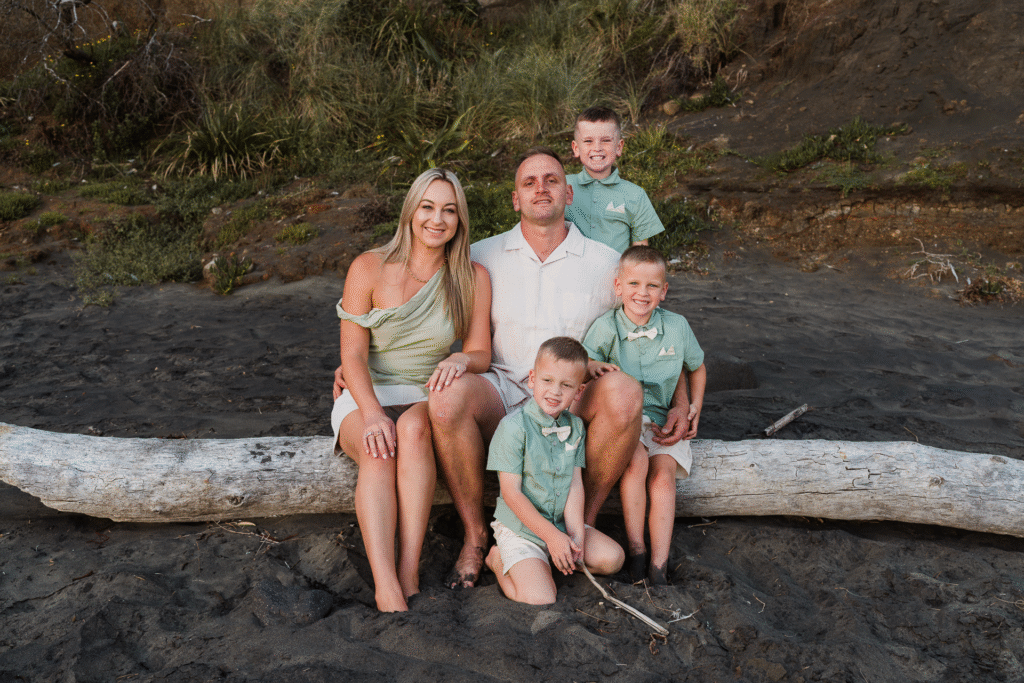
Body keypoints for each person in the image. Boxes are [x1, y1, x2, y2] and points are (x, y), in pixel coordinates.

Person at [428, 147, 644, 588]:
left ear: (568, 193)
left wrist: (679, 401)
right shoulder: (483, 256)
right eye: (529, 183)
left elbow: (646, 327)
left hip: (572, 396)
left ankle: (575, 529)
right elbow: (422, 305)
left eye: (550, 180)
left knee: (625, 392)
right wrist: (367, 365)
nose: (540, 189)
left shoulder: (605, 262)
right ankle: (474, 536)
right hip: (504, 391)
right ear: (515, 199)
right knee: (446, 399)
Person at [331, 168, 492, 612]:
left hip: (424, 393)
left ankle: (409, 570)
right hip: (368, 392)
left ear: (459, 220)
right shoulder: (368, 267)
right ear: (411, 210)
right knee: (380, 448)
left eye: (449, 210)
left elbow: (480, 352)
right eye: (428, 207)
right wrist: (371, 412)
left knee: (416, 433)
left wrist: (460, 358)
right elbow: (353, 356)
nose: (436, 219)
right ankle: (386, 585)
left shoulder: (471, 276)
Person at [582, 245, 706, 585]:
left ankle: (659, 565)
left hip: (663, 419)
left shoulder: (677, 327)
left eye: (652, 286)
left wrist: (693, 407)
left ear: (664, 291)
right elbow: (585, 363)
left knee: (663, 477)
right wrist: (595, 366)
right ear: (618, 286)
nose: (643, 293)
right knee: (635, 461)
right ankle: (636, 550)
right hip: (627, 422)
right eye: (634, 284)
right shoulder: (607, 326)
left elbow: (696, 368)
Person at [486, 337, 624, 604]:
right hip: (522, 529)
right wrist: (551, 537)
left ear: (579, 391)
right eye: (547, 381)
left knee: (613, 559)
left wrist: (575, 537)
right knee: (541, 598)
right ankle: (498, 559)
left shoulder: (575, 428)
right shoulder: (513, 428)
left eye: (566, 385)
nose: (555, 392)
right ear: (532, 379)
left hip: (559, 524)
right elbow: (511, 494)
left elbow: (574, 485)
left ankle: (548, 561)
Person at [565, 106, 665, 253]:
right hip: (570, 274)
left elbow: (640, 254)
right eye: (588, 141)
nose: (597, 148)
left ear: (619, 147)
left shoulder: (636, 195)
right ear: (576, 148)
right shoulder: (562, 186)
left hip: (614, 275)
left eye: (606, 140)